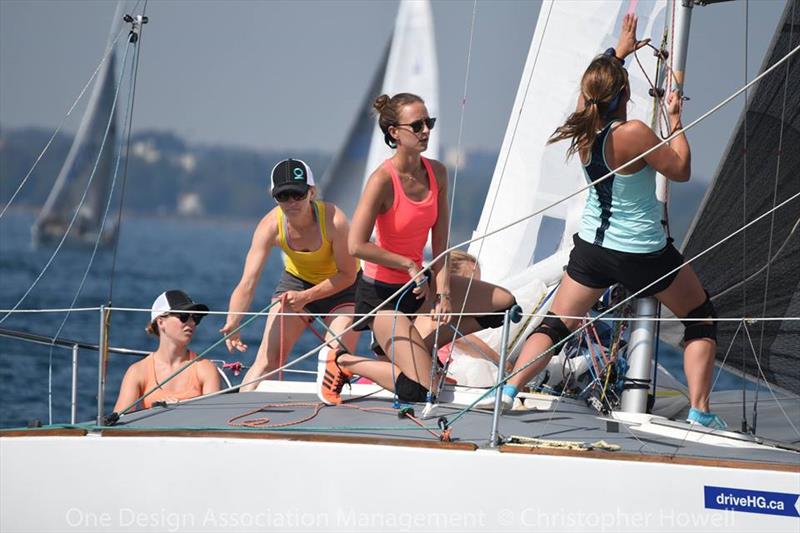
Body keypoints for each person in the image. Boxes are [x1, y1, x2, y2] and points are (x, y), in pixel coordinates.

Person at [501, 15, 724, 428]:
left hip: (592, 250)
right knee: (700, 316)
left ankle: (509, 390)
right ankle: (700, 412)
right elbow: (680, 169)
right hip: (642, 253)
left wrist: (617, 53)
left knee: (556, 325)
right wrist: (675, 121)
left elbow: (593, 89)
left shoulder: (583, 125)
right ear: (624, 92)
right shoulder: (634, 132)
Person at [315, 92, 516, 405]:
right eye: (417, 125)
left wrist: (444, 294)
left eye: (429, 123)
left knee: (503, 304)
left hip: (420, 290)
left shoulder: (437, 172)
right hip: (383, 298)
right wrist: (407, 264)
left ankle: (418, 348)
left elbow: (440, 242)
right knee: (421, 391)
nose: (426, 131)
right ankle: (344, 361)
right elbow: (356, 244)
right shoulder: (382, 180)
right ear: (394, 132)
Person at [222, 158, 360, 392]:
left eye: (298, 194)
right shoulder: (270, 226)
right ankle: (239, 413)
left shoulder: (334, 220)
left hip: (343, 288)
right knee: (267, 361)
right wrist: (233, 321)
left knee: (335, 360)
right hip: (296, 283)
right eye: (283, 196)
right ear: (275, 197)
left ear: (312, 192)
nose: (291, 202)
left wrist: (306, 296)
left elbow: (348, 275)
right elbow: (248, 282)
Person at [113, 290, 221, 412]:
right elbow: (118, 422)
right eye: (183, 316)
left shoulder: (207, 369)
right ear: (161, 322)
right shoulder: (137, 372)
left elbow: (212, 418)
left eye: (195, 318)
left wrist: (178, 412)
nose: (191, 323)